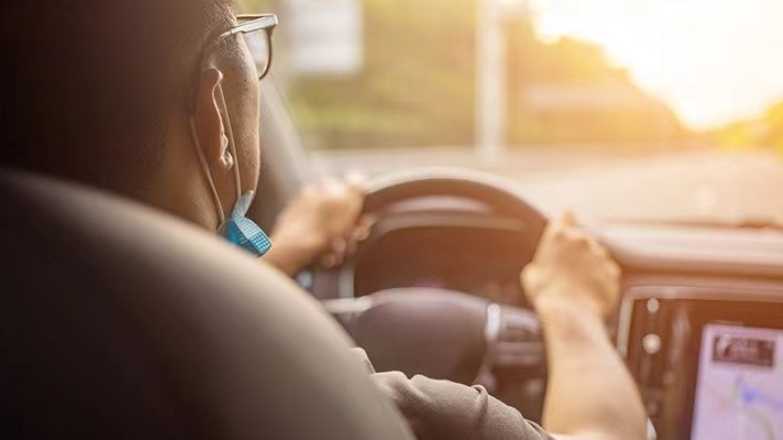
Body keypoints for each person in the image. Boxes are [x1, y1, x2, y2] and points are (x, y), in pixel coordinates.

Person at [2, 2, 646, 440]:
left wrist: (284, 250)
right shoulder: (332, 407)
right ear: (216, 119)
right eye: (245, 43)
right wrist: (571, 310)